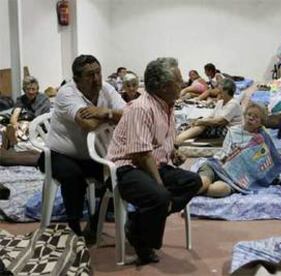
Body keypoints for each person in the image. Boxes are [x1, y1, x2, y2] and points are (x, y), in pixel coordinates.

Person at [107, 57, 202, 265]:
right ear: (164, 87)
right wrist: (161, 186)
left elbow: (162, 142)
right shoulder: (141, 108)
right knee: (159, 195)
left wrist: (173, 152)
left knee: (193, 181)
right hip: (127, 168)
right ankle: (142, 242)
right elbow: (141, 155)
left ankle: (138, 224)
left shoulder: (168, 106)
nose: (183, 84)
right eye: (178, 81)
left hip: (154, 163)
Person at [38, 55, 126, 238]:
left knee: (122, 174)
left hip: (93, 154)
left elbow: (128, 114)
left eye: (98, 72)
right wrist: (110, 116)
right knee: (73, 176)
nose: (96, 79)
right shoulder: (66, 93)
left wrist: (104, 112)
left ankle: (95, 223)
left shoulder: (106, 89)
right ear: (77, 80)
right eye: (90, 75)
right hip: (60, 154)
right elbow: (88, 125)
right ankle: (74, 226)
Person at [197, 102, 281, 197]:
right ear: (244, 115)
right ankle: (189, 191)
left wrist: (272, 178)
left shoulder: (262, 139)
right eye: (249, 114)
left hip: (236, 180)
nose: (251, 118)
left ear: (261, 122)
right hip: (216, 166)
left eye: (256, 117)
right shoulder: (233, 131)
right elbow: (223, 153)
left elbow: (270, 162)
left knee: (217, 190)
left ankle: (190, 192)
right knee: (203, 184)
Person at [176, 78, 242, 145]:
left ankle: (179, 139)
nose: (218, 92)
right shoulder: (220, 102)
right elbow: (211, 117)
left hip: (230, 131)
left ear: (226, 91)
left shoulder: (233, 104)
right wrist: (197, 121)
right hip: (221, 126)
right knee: (199, 121)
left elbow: (220, 121)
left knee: (203, 125)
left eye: (220, 90)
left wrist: (201, 121)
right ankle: (182, 136)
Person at [2, 76, 50, 149]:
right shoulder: (21, 99)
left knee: (25, 124)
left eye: (33, 89)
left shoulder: (43, 99)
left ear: (37, 90)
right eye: (28, 89)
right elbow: (16, 113)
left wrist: (23, 125)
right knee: (11, 125)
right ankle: (12, 136)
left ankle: (15, 138)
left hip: (39, 123)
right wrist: (14, 124)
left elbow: (37, 119)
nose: (31, 92)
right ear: (24, 90)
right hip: (25, 120)